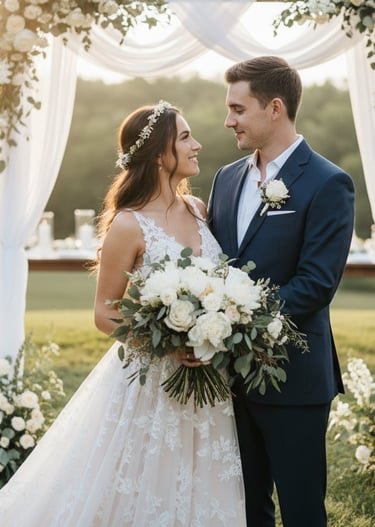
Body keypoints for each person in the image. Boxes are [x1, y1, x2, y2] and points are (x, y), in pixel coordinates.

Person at [0, 101, 246, 526]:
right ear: (157, 154)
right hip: (152, 381)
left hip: (211, 378)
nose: (197, 145)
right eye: (185, 137)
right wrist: (167, 345)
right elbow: (104, 312)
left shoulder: (200, 210)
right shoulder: (129, 226)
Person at [208, 56, 355, 527]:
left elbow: (315, 285)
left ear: (274, 108)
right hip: (228, 377)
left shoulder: (329, 183)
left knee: (301, 509)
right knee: (245, 507)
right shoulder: (225, 178)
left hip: (293, 377)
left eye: (237, 108)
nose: (227, 120)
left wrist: (229, 319)